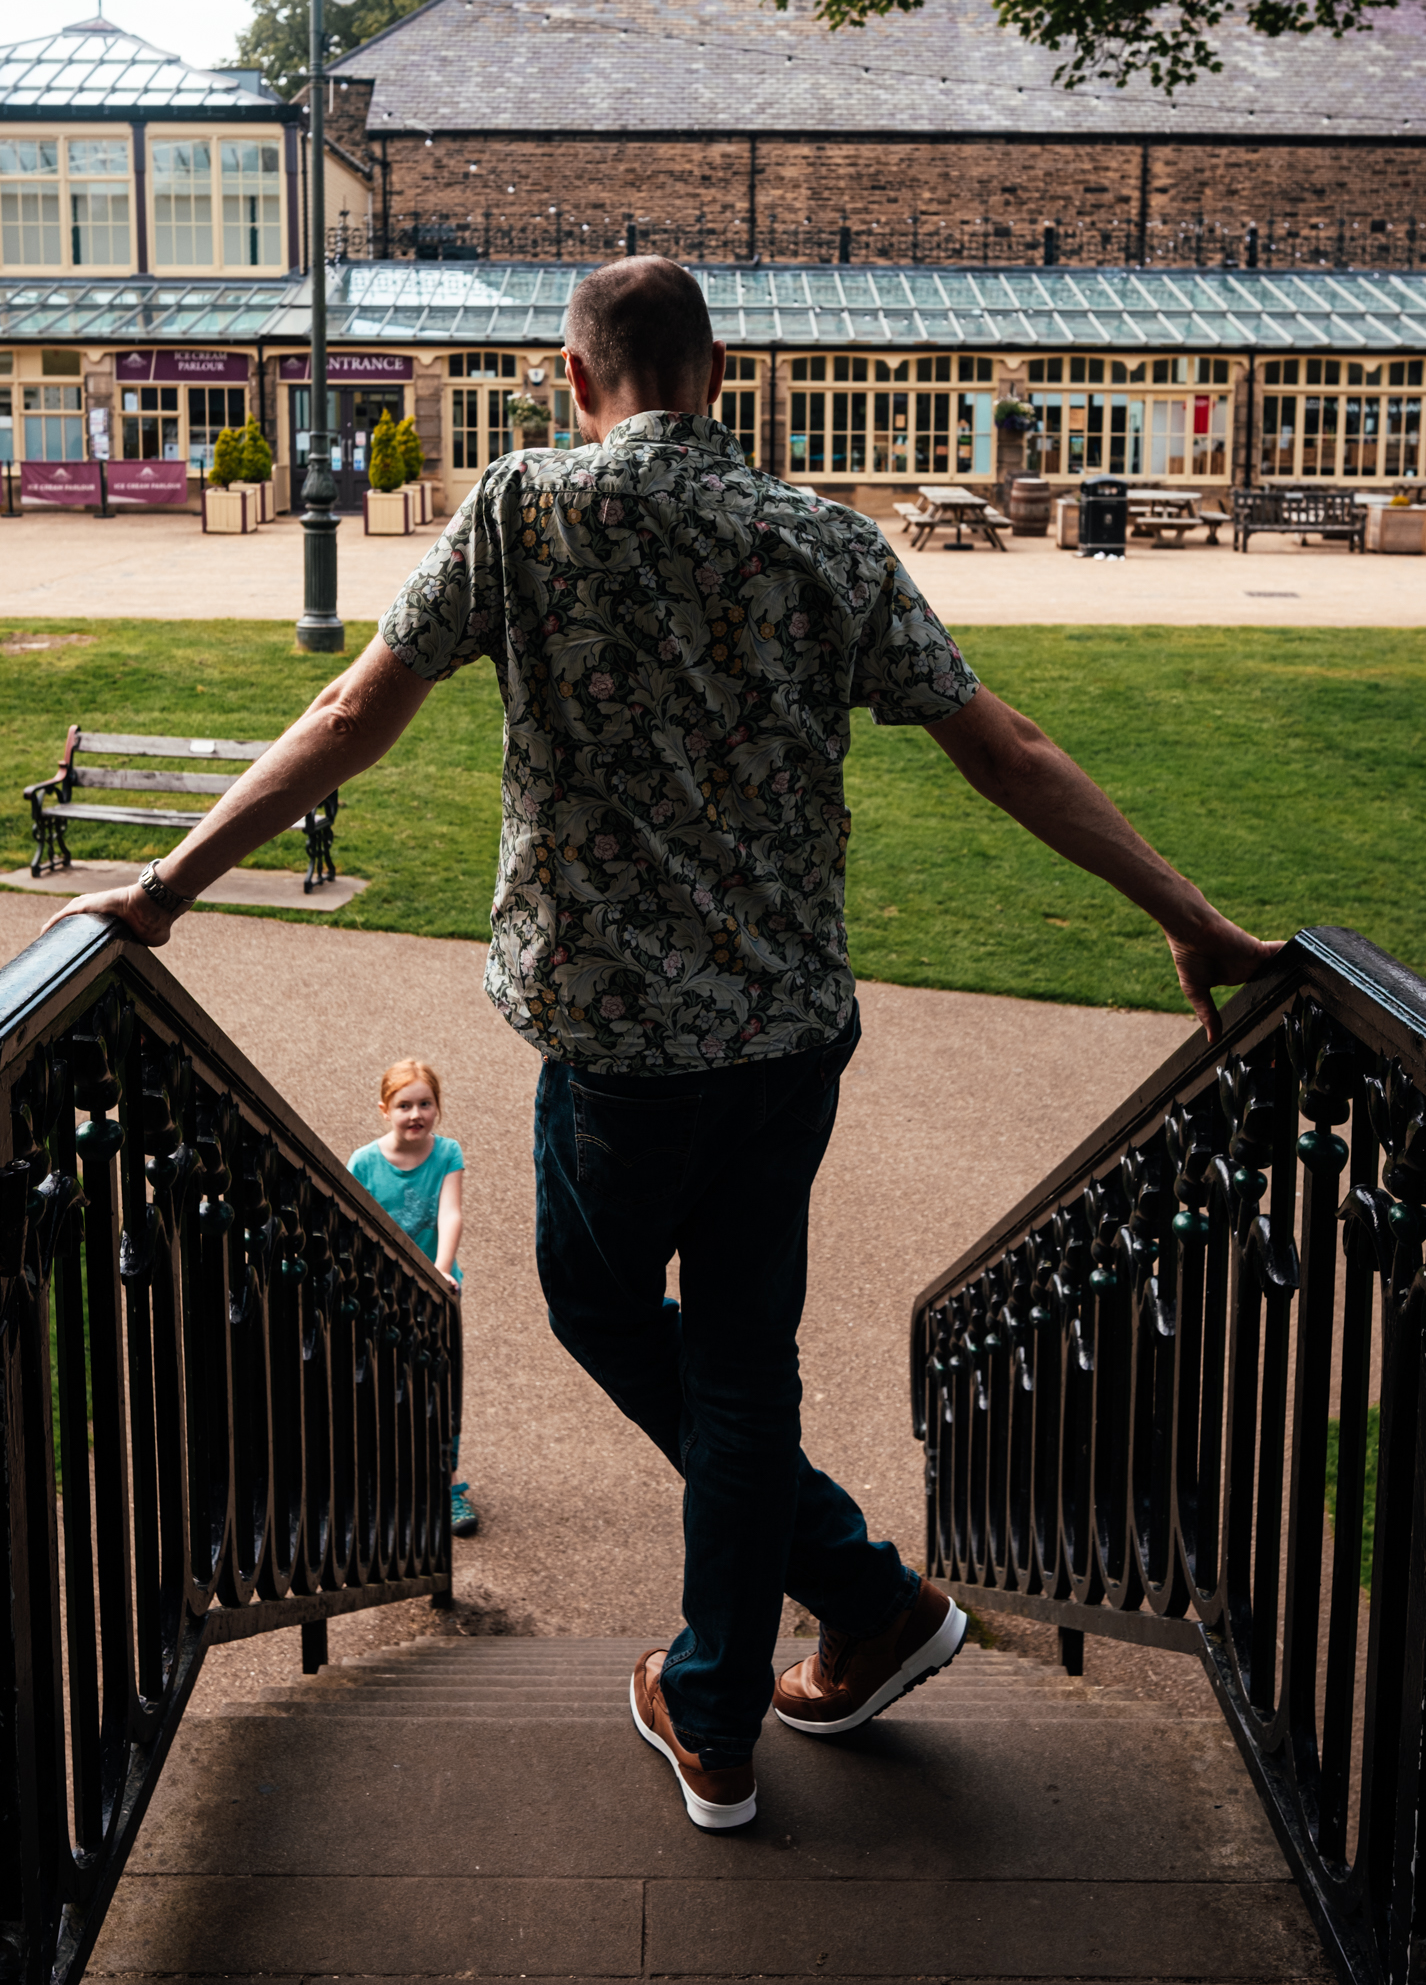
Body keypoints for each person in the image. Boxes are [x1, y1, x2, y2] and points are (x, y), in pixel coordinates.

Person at [44, 255, 1280, 1836]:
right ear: (718, 374)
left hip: (617, 1052)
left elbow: (351, 717)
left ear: (574, 381)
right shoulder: (823, 540)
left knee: (597, 1303)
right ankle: (801, 1637)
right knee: (741, 1361)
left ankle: (747, 1683)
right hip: (783, 1047)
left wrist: (163, 889)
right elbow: (1004, 746)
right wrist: (1181, 913)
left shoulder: (522, 511)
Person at [347, 1058, 477, 1537]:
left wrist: (440, 1269)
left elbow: (450, 1213)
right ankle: (390, 1478)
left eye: (425, 1103)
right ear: (385, 1109)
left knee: (439, 1384)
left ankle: (447, 1478)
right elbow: (352, 1227)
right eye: (404, 1105)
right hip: (382, 1293)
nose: (415, 1113)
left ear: (437, 1108)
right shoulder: (363, 1163)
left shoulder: (446, 1154)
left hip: (435, 1291)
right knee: (384, 1383)